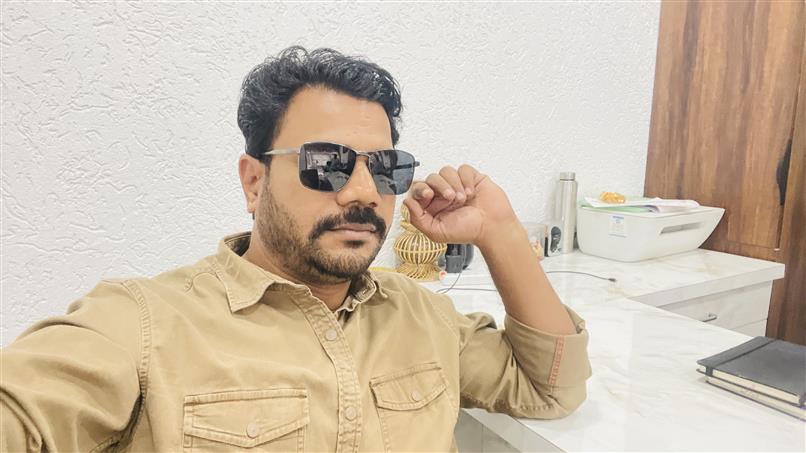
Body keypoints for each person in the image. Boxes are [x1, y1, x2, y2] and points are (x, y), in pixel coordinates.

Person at [1, 46, 591, 452]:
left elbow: (551, 388)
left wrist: (499, 230)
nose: (363, 192)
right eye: (327, 163)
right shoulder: (145, 324)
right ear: (254, 182)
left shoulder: (421, 314)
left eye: (386, 167)